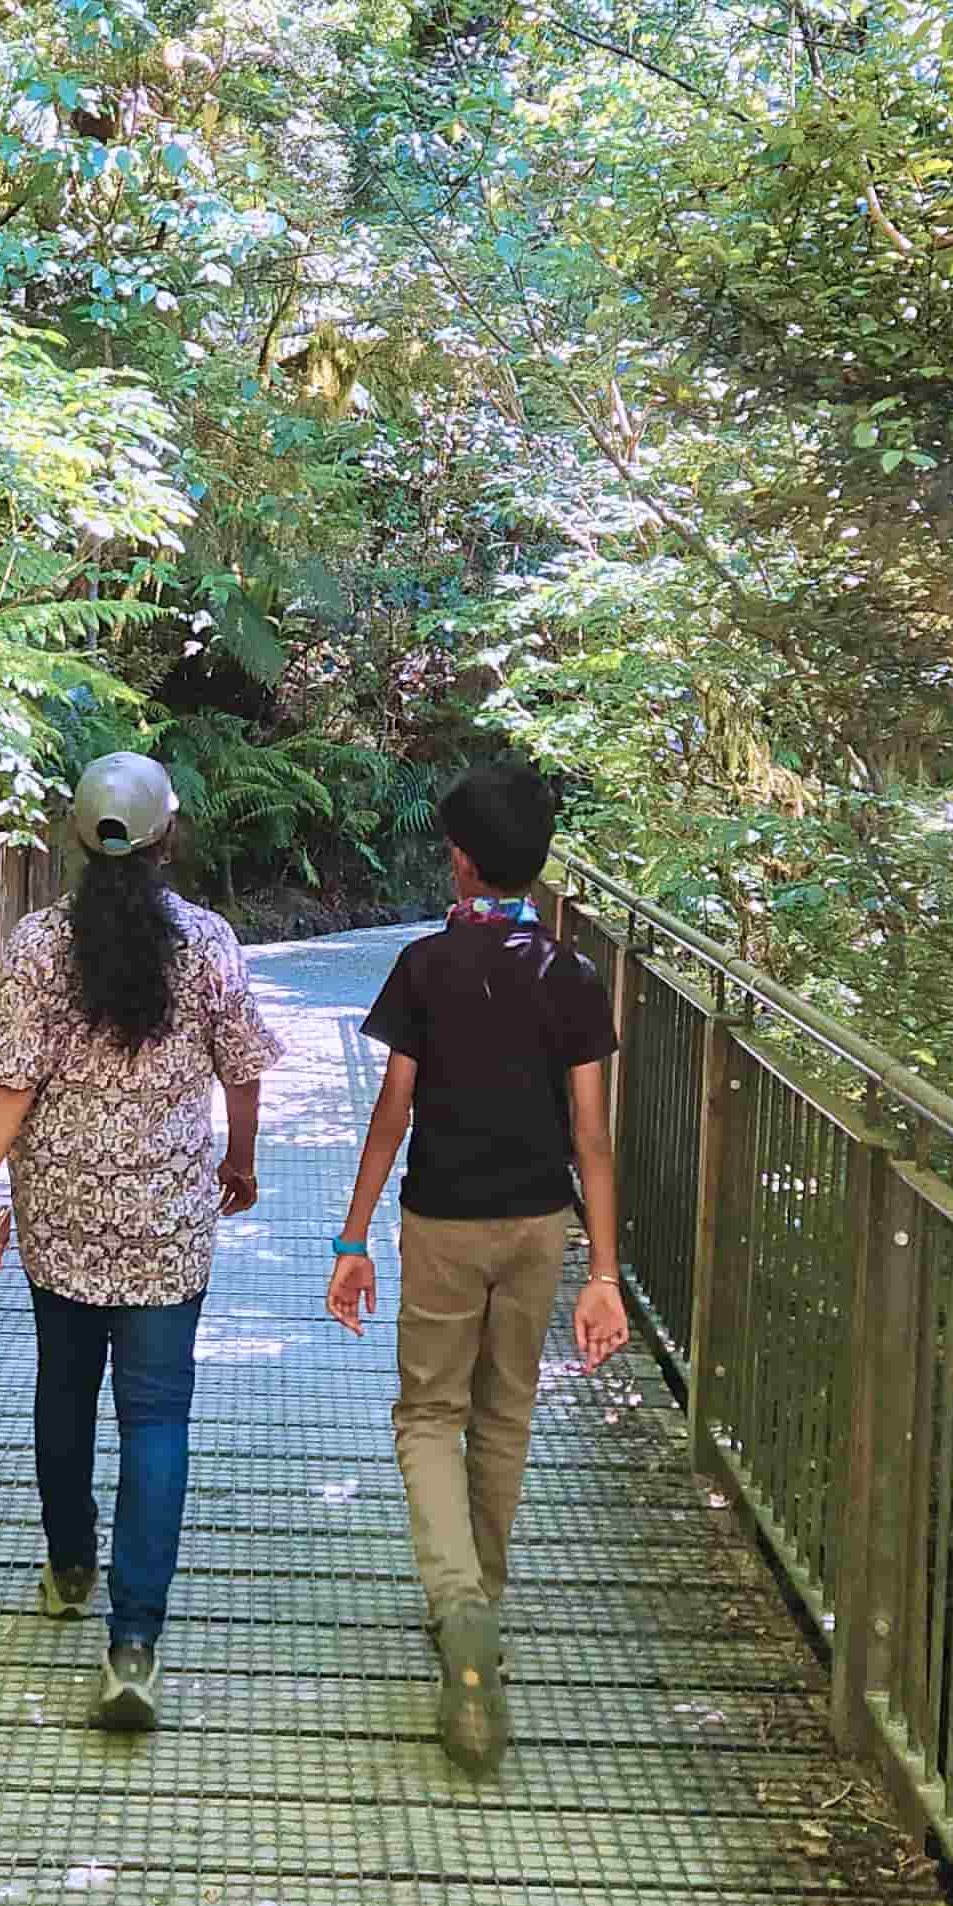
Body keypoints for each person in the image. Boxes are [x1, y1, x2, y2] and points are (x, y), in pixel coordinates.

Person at [0, 751, 284, 1733]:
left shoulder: (37, 944)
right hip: (167, 1219)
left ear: (75, 835)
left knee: (64, 1389)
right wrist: (241, 1159)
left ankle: (68, 1567)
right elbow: (243, 1068)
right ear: (166, 835)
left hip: (60, 1212)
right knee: (156, 1416)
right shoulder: (210, 943)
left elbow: (7, 1083)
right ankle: (133, 1643)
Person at [325, 758, 629, 1771]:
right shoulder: (570, 975)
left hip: (441, 1223)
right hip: (540, 1225)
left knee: (428, 1413)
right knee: (505, 1413)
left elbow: (391, 1113)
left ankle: (456, 1603)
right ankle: (482, 1604)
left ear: (460, 861)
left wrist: (353, 1240)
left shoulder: (424, 967)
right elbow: (592, 1137)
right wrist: (604, 1274)